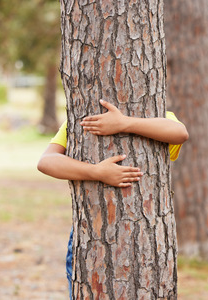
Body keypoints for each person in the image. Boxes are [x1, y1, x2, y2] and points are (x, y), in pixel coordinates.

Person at [37, 99, 188, 299]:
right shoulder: (85, 120)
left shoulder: (158, 117)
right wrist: (96, 172)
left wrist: (125, 123)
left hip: (148, 234)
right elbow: (46, 162)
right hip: (92, 234)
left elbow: (181, 133)